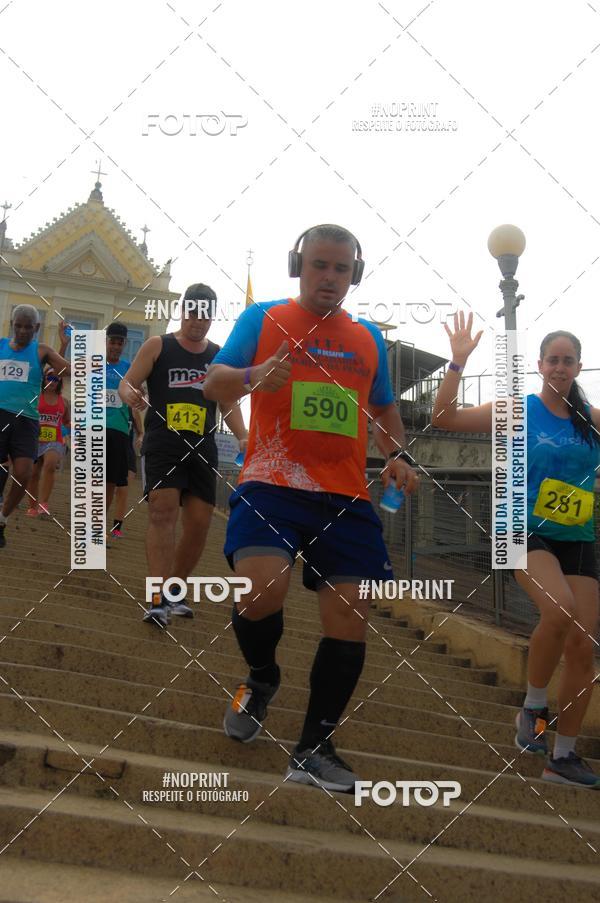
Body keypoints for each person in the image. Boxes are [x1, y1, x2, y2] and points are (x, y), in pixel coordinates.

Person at [202, 224, 418, 792]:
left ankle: (314, 748)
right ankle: (261, 676)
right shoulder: (264, 319)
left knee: (351, 615)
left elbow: (383, 408)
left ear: (355, 274)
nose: (330, 277)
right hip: (272, 480)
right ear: (299, 265)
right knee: (260, 588)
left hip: (344, 495)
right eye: (319, 265)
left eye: (341, 269)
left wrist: (396, 455)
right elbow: (213, 383)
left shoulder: (369, 338)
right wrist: (253, 376)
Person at [432, 312, 600, 789]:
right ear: (541, 366)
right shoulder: (517, 409)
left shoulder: (592, 422)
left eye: (569, 361)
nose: (561, 368)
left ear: (579, 367)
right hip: (520, 528)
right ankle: (532, 707)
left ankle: (562, 757)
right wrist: (458, 363)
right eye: (553, 360)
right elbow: (443, 417)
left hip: (577, 538)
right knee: (561, 609)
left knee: (583, 649)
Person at [119, 283, 248, 626]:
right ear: (182, 311)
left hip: (202, 447)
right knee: (163, 514)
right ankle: (157, 598)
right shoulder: (158, 345)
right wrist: (131, 394)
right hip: (163, 442)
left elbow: (228, 402)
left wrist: (244, 437)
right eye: (193, 313)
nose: (198, 322)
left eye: (206, 316)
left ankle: (175, 589)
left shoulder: (219, 357)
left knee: (199, 524)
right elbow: (128, 382)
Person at [0, 306, 71, 547]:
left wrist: (69, 347)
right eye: (18, 325)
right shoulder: (0, 346)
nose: (21, 331)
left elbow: (64, 370)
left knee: (24, 472)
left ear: (37, 328)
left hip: (27, 420)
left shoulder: (41, 350)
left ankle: (2, 519)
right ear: (12, 323)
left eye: (28, 327)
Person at [26, 367, 71, 517]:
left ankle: (43, 503)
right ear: (44, 379)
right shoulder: (35, 396)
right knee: (33, 473)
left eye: (56, 378)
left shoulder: (64, 402)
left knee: (50, 464)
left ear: (60, 382)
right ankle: (32, 506)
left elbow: (66, 421)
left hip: (54, 440)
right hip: (34, 439)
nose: (52, 381)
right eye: (49, 377)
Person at [111, 410, 142, 539]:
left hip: (127, 453)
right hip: (108, 449)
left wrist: (140, 438)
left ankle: (116, 528)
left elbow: (141, 432)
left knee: (122, 490)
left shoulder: (132, 410)